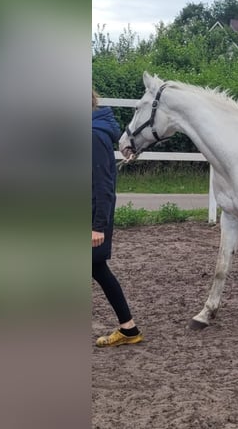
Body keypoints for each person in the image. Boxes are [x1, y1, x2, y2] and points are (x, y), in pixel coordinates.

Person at [92, 89, 143, 347]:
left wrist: (98, 226)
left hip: (92, 217)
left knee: (97, 268)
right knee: (97, 270)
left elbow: (103, 184)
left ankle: (129, 328)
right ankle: (129, 328)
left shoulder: (93, 136)